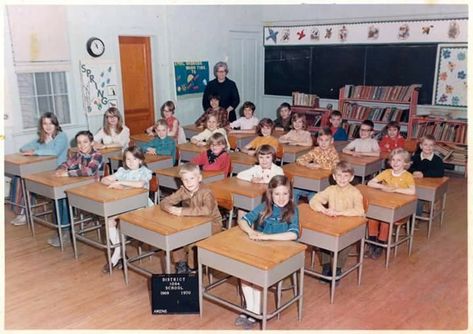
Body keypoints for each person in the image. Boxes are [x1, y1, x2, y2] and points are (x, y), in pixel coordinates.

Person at [236, 175, 299, 329]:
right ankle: (251, 309)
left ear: (290, 194)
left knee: (255, 274)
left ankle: (255, 312)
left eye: (285, 194)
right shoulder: (265, 206)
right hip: (263, 249)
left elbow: (293, 234)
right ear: (270, 194)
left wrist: (266, 237)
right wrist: (250, 232)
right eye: (277, 194)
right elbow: (243, 220)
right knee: (245, 272)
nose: (281, 198)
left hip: (282, 253)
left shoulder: (292, 210)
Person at [309, 161, 365, 284]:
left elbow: (360, 211)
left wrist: (339, 213)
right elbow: (314, 201)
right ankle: (326, 266)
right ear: (334, 177)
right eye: (339, 175)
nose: (342, 179)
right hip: (332, 224)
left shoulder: (355, 192)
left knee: (344, 244)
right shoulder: (331, 189)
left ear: (351, 177)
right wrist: (324, 210)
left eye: (346, 176)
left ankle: (338, 268)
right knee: (323, 239)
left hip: (348, 226)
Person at [160, 163, 222, 274]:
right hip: (191, 222)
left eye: (192, 178)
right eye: (185, 180)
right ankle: (181, 264)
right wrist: (170, 208)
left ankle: (192, 267)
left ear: (199, 178)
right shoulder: (183, 190)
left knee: (194, 243)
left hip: (211, 224)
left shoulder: (206, 192)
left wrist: (181, 211)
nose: (189, 183)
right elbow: (165, 201)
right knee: (176, 237)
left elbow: (207, 210)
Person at [100, 146, 152, 273]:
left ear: (140, 160)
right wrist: (113, 183)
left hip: (141, 207)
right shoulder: (122, 171)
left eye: (134, 159)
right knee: (109, 220)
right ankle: (120, 254)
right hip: (123, 205)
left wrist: (120, 183)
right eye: (128, 159)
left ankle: (116, 257)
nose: (130, 162)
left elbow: (140, 184)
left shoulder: (145, 171)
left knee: (116, 221)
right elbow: (104, 179)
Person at [10, 112, 68, 226]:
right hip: (44, 168)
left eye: (51, 123)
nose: (48, 126)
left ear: (56, 124)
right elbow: (23, 148)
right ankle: (23, 211)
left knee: (28, 179)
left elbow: (55, 152)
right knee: (19, 178)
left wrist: (36, 152)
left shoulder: (61, 136)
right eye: (45, 123)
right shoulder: (42, 137)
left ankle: (24, 211)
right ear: (41, 125)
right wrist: (34, 147)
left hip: (59, 167)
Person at [52, 130, 103, 247]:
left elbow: (89, 171)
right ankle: (63, 230)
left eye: (85, 142)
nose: (82, 145)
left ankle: (67, 232)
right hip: (81, 186)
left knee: (65, 198)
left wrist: (68, 173)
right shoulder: (79, 155)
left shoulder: (97, 155)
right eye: (79, 143)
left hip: (94, 189)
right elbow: (67, 163)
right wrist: (61, 168)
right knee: (58, 198)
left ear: (92, 143)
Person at [366, 148, 415, 259]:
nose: (395, 163)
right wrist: (383, 186)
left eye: (399, 160)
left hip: (398, 208)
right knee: (372, 217)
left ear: (405, 163)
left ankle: (381, 244)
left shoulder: (407, 176)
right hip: (384, 204)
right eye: (393, 160)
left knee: (385, 221)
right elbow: (370, 183)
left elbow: (412, 191)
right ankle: (372, 242)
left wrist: (395, 189)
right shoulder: (386, 172)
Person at [294, 128, 339, 204]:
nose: (323, 143)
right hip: (312, 181)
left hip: (325, 185)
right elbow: (299, 159)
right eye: (321, 140)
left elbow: (336, 165)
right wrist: (307, 164)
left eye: (326, 140)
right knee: (294, 192)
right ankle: (292, 214)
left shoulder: (333, 152)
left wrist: (320, 166)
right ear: (317, 140)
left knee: (313, 199)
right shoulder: (316, 150)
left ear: (331, 141)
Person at [409, 134, 445, 217]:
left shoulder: (437, 160)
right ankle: (407, 215)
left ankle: (416, 218)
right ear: (421, 146)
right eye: (425, 145)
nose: (428, 147)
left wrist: (424, 174)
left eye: (431, 145)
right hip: (415, 183)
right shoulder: (415, 157)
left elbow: (440, 172)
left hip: (430, 184)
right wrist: (414, 172)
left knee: (419, 196)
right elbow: (409, 167)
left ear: (434, 147)